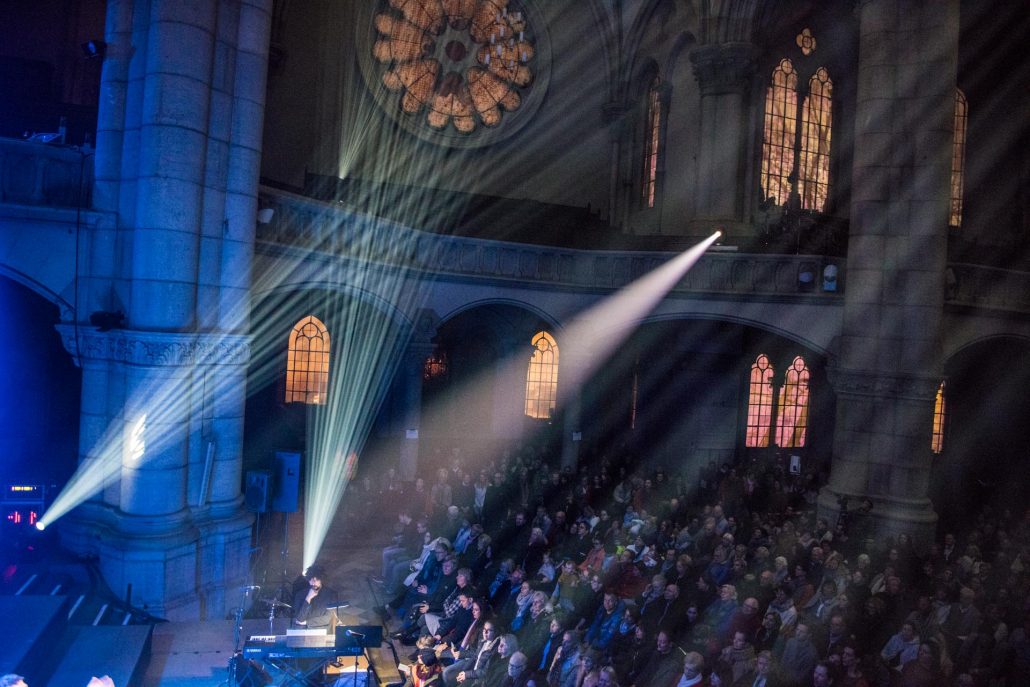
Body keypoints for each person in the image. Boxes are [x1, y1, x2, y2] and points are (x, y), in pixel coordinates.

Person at [292, 564, 338, 629]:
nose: (314, 582)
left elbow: (328, 618)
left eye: (317, 579)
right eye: (311, 579)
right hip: (304, 631)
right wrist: (308, 598)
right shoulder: (300, 594)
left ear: (321, 579)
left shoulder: (330, 594)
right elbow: (299, 619)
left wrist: (307, 622)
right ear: (308, 579)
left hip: (322, 631)